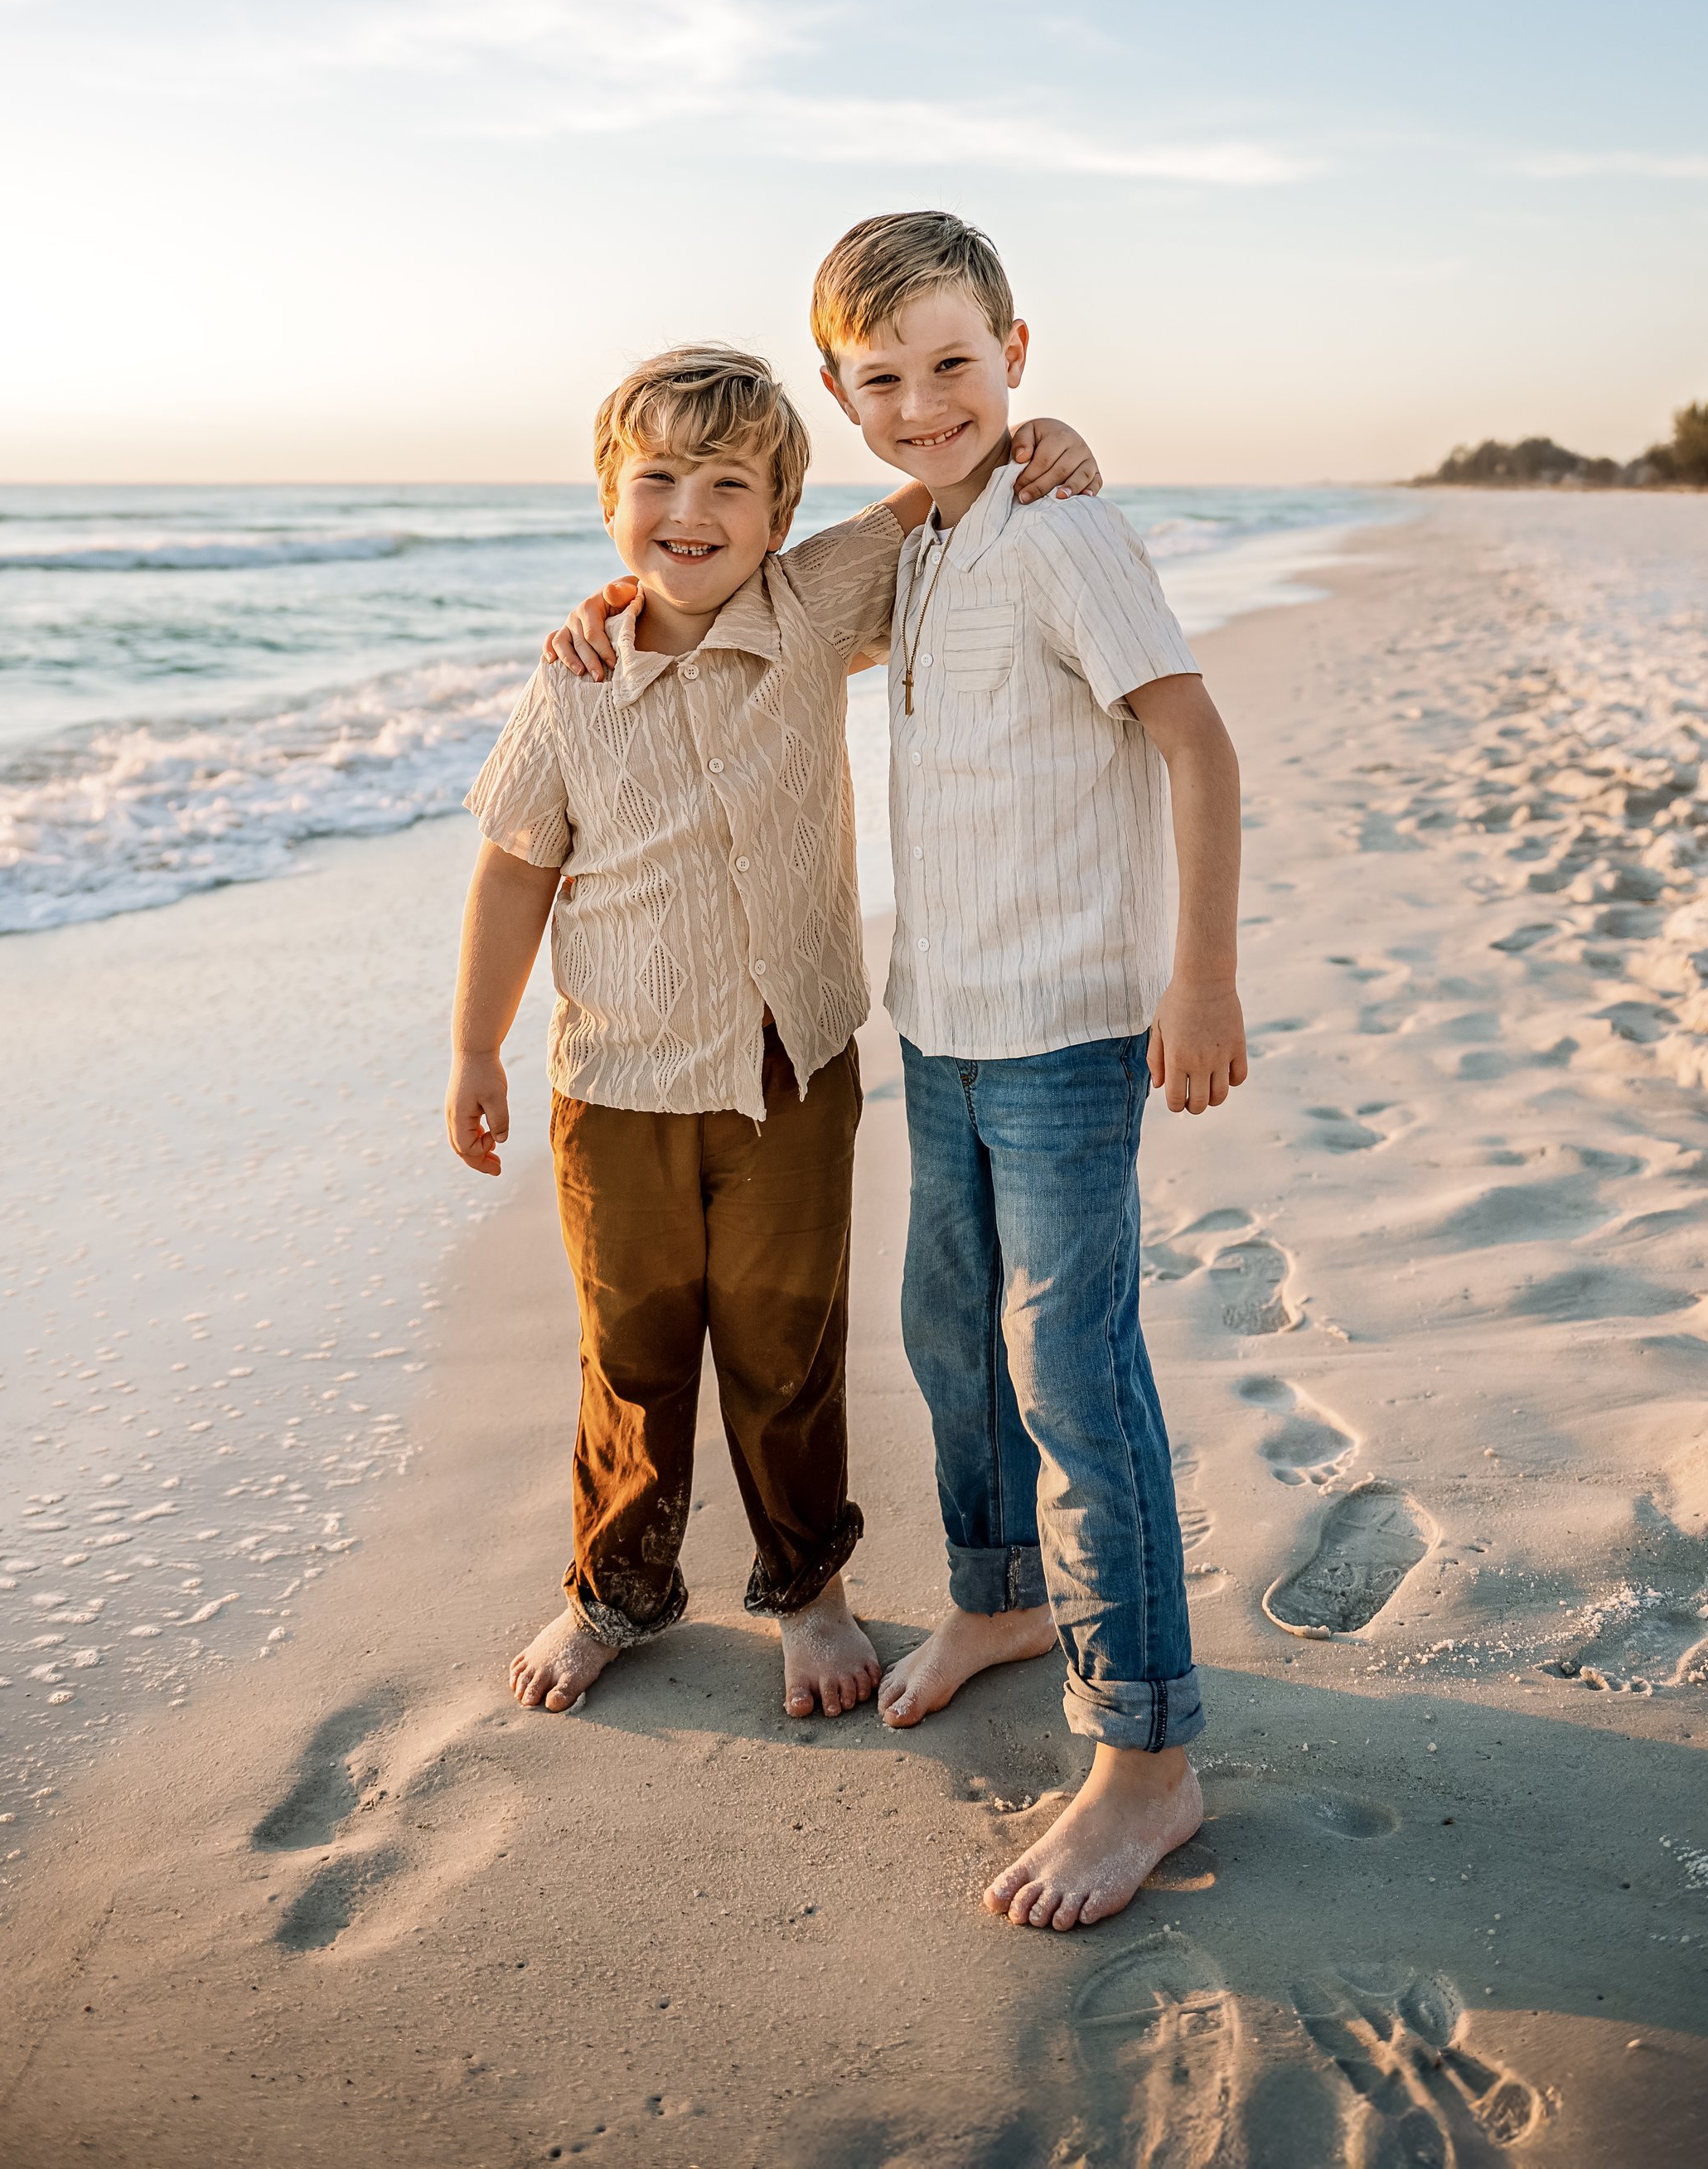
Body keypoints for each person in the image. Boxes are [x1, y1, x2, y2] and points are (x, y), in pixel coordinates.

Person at [445, 341, 1101, 1722]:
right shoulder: (571, 680)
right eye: (659, 478)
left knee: (785, 1347)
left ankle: (808, 1589)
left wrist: (1046, 446)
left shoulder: (810, 608)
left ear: (779, 513)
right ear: (610, 502)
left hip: (792, 1072)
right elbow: (512, 868)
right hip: (613, 1085)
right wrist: (472, 1052)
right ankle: (613, 1589)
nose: (691, 507)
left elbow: (942, 491)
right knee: (629, 1352)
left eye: (729, 482)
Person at [808, 210, 1248, 1931]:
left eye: (955, 367)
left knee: (1073, 1372)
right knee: (948, 1336)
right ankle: (996, 1600)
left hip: (1068, 1028)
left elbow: (1194, 744)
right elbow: (776, 597)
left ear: (1014, 351)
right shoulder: (928, 537)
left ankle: (1145, 1756)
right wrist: (635, 588)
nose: (924, 403)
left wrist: (1195, 978)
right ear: (845, 399)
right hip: (938, 1023)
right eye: (884, 381)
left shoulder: (1062, 524)